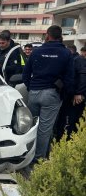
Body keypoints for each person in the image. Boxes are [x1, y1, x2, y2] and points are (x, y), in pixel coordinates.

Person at [23, 25, 74, 163]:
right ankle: (38, 159)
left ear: (47, 35)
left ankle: (27, 155)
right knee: (44, 129)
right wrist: (64, 95)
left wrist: (31, 87)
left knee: (32, 126)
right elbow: (70, 78)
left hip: (34, 92)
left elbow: (26, 74)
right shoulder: (66, 53)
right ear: (60, 36)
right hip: (52, 94)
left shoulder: (36, 51)